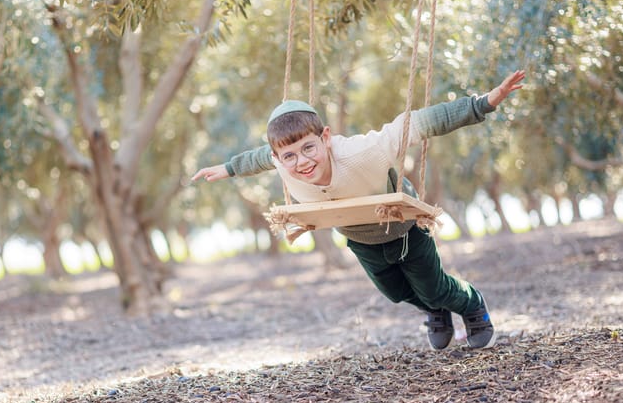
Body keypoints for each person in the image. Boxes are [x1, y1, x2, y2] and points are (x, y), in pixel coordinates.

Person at [191, 70, 526, 350]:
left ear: (325, 137)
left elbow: (419, 123)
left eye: (309, 148)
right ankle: (435, 310)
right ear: (278, 157)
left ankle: (472, 304)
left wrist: (483, 103)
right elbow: (257, 157)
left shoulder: (364, 152)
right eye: (289, 156)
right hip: (359, 237)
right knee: (395, 294)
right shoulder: (281, 161)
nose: (302, 162)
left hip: (404, 228)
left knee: (434, 287)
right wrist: (229, 168)